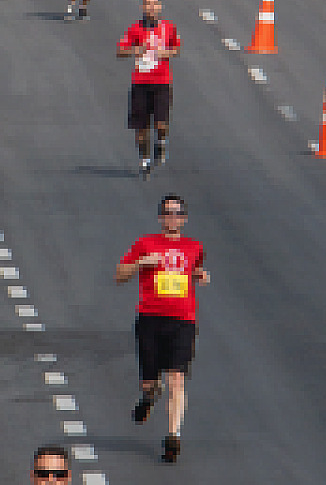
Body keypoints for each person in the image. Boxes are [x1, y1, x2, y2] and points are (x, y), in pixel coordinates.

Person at [115, 193, 209, 463]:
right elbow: (119, 275)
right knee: (150, 382)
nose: (173, 217)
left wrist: (201, 275)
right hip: (150, 318)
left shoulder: (195, 247)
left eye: (178, 213)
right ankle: (148, 397)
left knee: (177, 379)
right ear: (160, 218)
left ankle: (172, 436)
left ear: (185, 218)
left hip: (183, 320)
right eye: (168, 213)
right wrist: (140, 264)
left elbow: (194, 269)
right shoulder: (145, 244)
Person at [116, 0, 181, 178]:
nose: (151, 7)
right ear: (142, 6)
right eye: (148, 4)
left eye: (155, 4)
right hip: (140, 84)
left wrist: (166, 53)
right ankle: (144, 160)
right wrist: (136, 49)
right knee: (141, 128)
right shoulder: (134, 29)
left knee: (161, 124)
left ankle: (161, 142)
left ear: (160, 7)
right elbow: (120, 51)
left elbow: (176, 49)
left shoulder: (168, 28)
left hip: (161, 82)